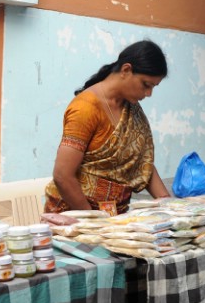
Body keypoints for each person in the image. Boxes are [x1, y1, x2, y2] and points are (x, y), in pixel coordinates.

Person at [44, 40, 172, 216]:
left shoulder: (131, 108)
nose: (148, 94)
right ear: (126, 70)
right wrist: (94, 220)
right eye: (146, 85)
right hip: (75, 217)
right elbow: (62, 175)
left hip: (114, 218)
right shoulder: (86, 108)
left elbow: (143, 164)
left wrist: (167, 205)